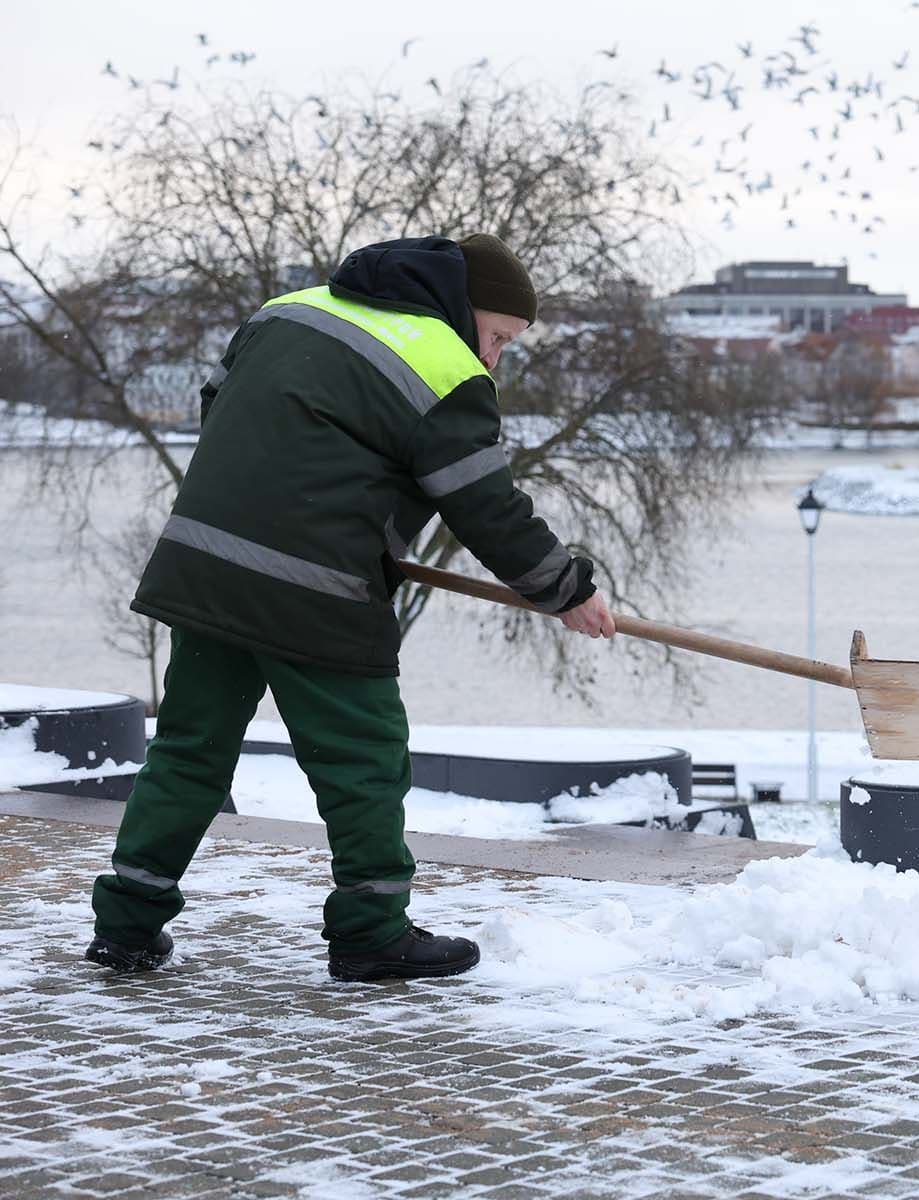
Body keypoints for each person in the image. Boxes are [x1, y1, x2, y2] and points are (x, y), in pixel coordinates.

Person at [86, 234, 615, 982]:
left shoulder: (286, 311)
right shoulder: (444, 364)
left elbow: (223, 408)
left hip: (207, 564)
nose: (494, 357)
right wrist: (568, 588)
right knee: (364, 759)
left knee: (189, 749)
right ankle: (371, 931)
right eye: (497, 336)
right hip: (316, 589)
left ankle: (127, 925)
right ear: (462, 308)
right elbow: (486, 506)